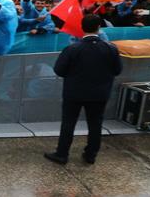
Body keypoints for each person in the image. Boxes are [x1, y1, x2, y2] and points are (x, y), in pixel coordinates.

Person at [44, 14, 123, 165]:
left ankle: (62, 154)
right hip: (100, 93)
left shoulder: (73, 48)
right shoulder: (111, 49)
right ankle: (91, 154)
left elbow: (59, 70)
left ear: (82, 27)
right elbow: (117, 70)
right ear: (99, 27)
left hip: (74, 92)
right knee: (95, 124)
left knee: (68, 123)